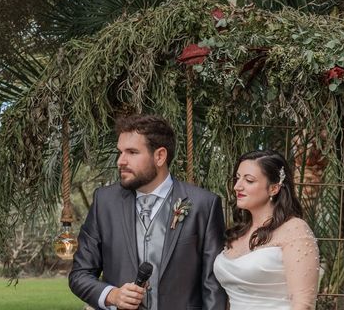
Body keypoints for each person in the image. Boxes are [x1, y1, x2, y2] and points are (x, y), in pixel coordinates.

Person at [69, 114, 227, 310]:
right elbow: (80, 274)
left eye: (132, 152)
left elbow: (213, 286)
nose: (121, 161)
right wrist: (113, 295)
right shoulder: (105, 202)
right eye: (120, 152)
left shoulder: (204, 204)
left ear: (160, 156)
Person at [213, 150, 320, 310]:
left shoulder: (295, 229)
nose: (237, 186)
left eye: (249, 180)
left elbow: (303, 304)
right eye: (237, 178)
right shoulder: (238, 232)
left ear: (274, 188)